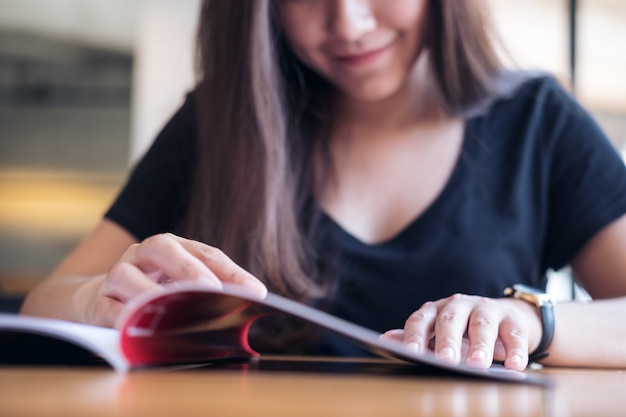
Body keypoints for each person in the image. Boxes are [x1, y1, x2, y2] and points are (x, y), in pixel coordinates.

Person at [21, 0, 626, 371]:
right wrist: (96, 299)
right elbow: (46, 301)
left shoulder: (538, 121)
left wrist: (531, 321)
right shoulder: (218, 124)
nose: (350, 22)